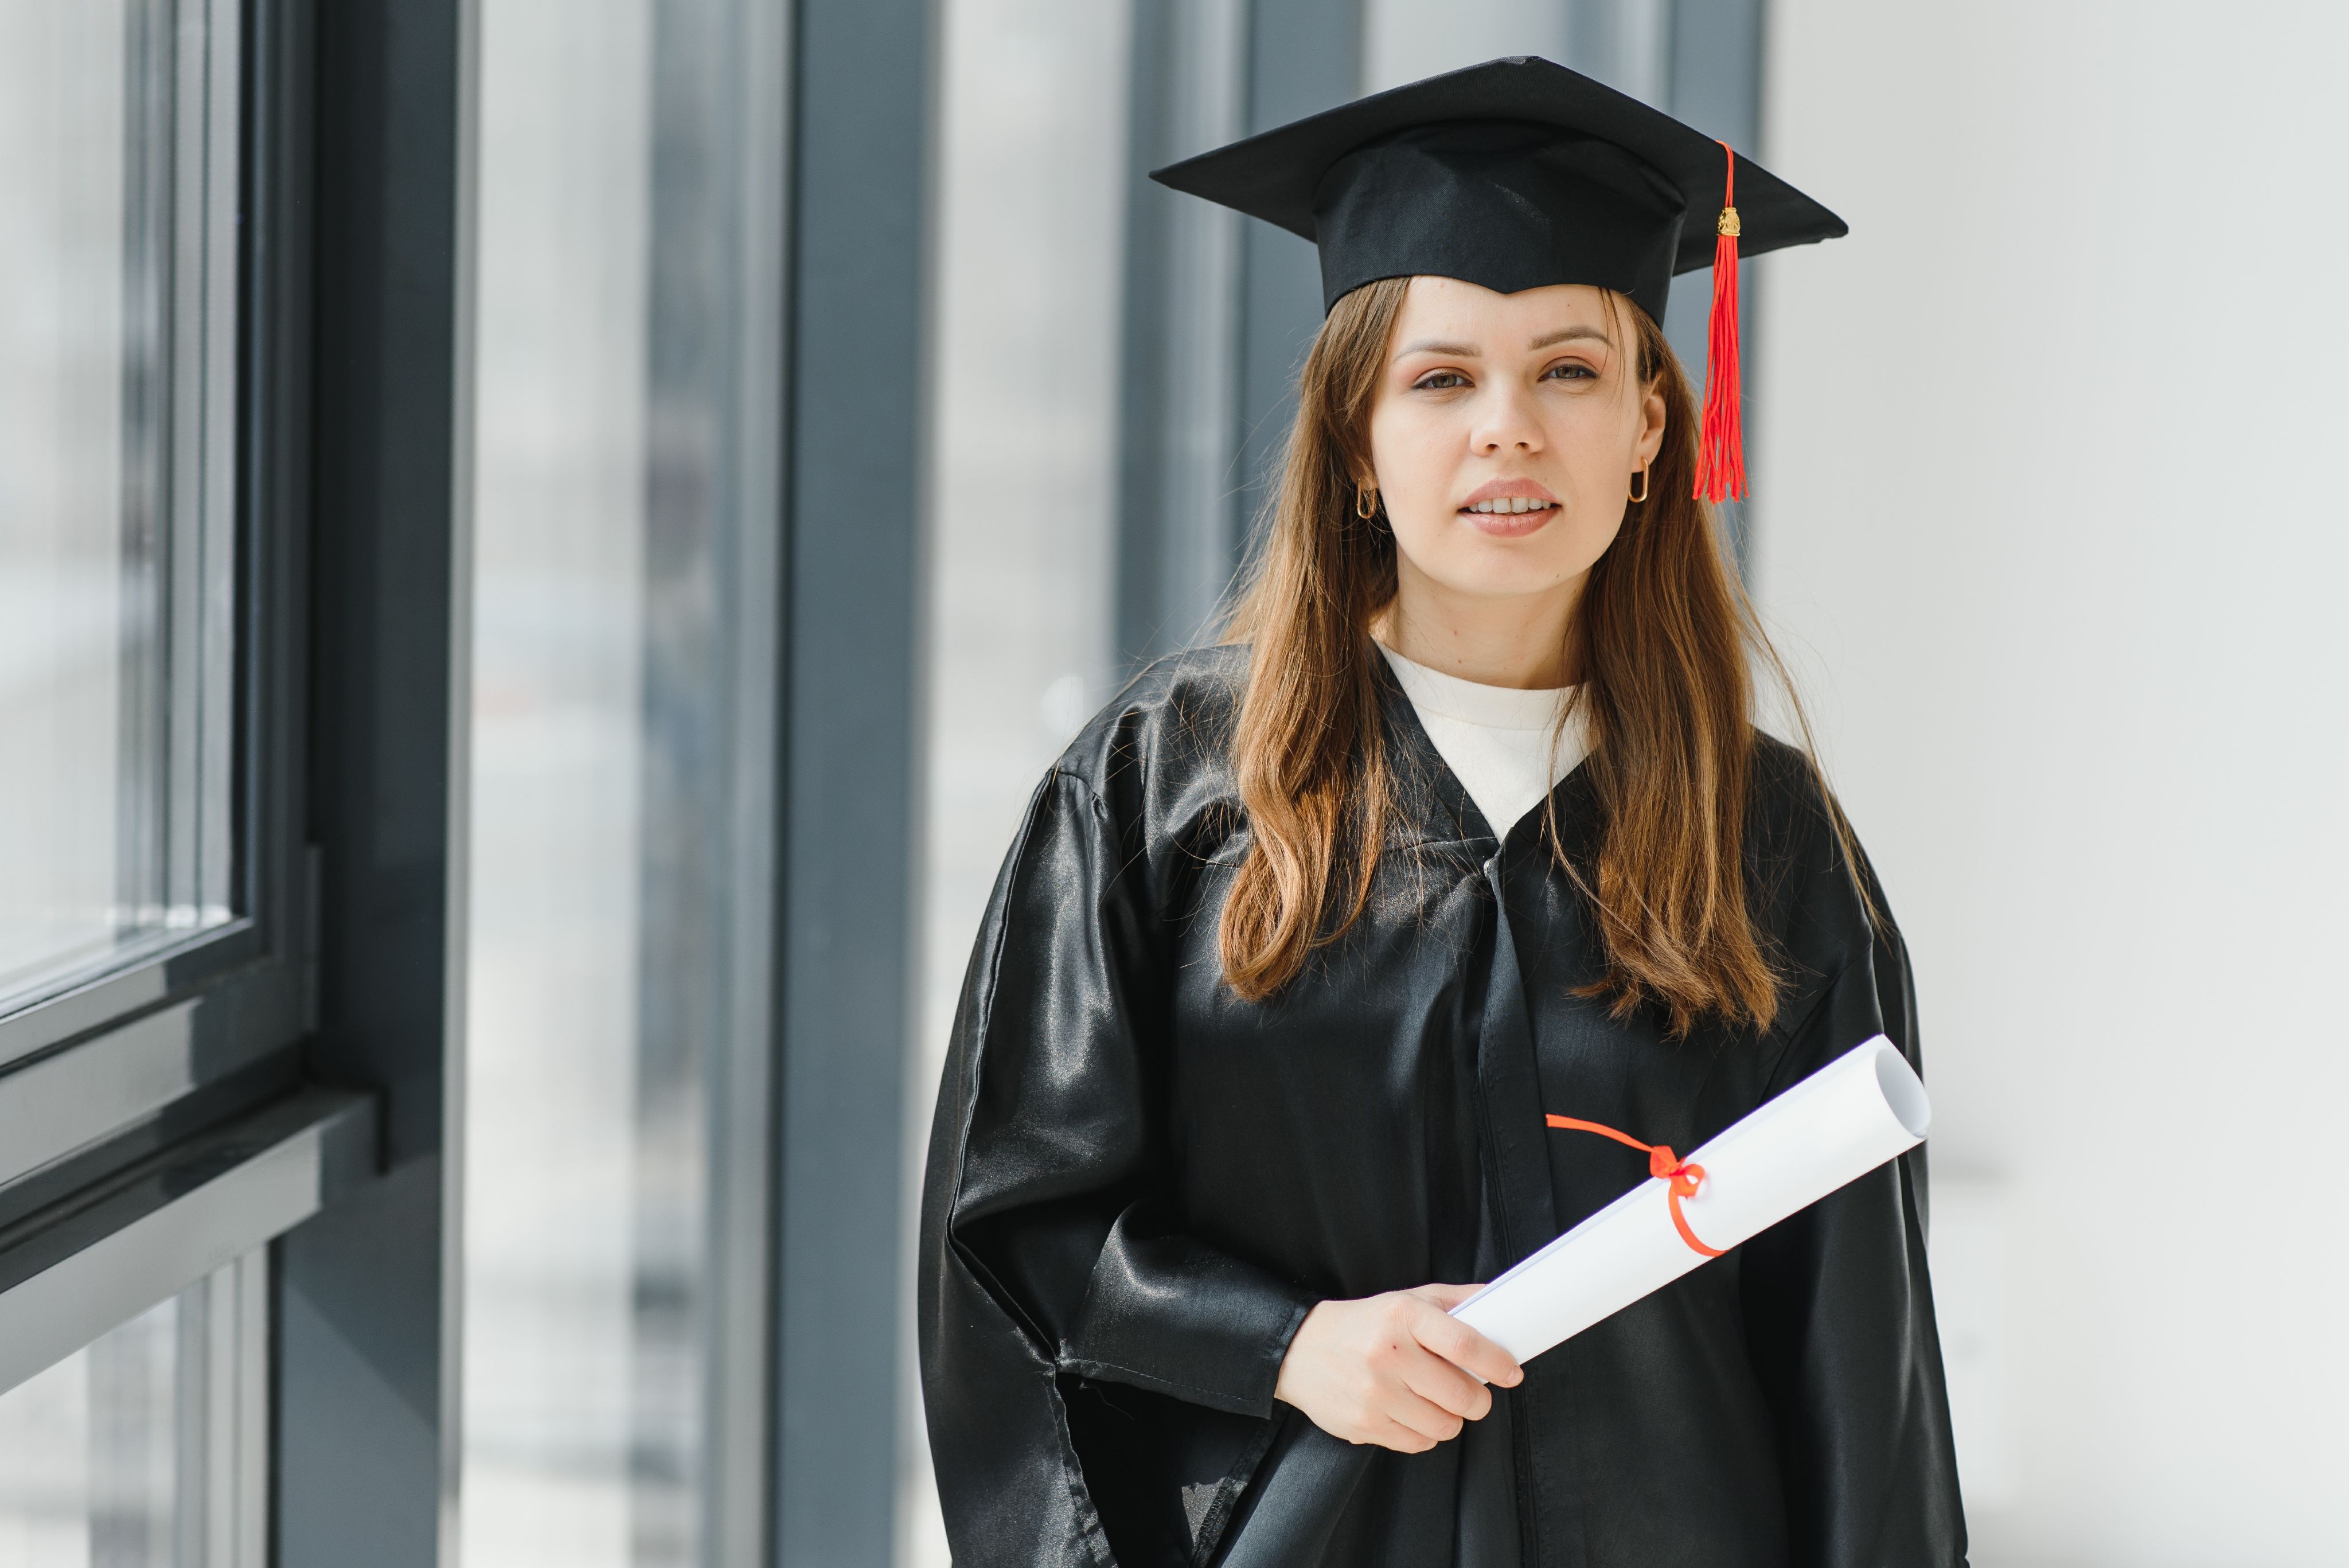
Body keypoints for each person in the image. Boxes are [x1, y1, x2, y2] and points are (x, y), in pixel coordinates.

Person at [919, 56, 1965, 1568]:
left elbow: (1862, 1351)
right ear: (1355, 443)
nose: (1508, 429)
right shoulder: (1163, 795)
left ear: (1651, 431)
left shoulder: (1768, 835)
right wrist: (1287, 1345)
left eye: (1570, 371)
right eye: (1440, 378)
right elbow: (1016, 1243)